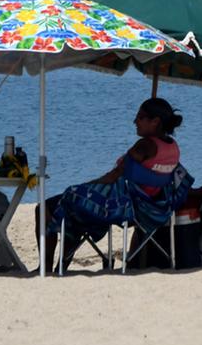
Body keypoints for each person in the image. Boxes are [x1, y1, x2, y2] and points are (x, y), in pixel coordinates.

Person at [39, 97, 187, 274]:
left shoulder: (145, 145)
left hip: (125, 207)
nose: (135, 121)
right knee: (76, 209)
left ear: (155, 121)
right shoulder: (173, 147)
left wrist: (86, 185)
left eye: (140, 117)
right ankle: (60, 265)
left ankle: (46, 267)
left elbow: (114, 175)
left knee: (48, 207)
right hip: (151, 208)